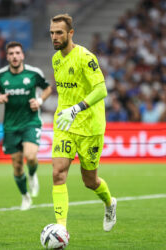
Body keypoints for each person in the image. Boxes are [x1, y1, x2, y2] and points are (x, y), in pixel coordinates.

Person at [49, 14, 117, 232]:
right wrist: (66, 111)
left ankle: (109, 203)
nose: (54, 37)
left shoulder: (85, 57)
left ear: (71, 33)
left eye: (59, 32)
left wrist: (76, 108)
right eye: (51, 33)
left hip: (89, 126)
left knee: (90, 181)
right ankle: (61, 229)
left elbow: (101, 89)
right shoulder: (56, 59)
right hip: (65, 124)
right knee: (58, 173)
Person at [0, 41, 52, 210]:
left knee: (30, 156)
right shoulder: (0, 76)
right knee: (16, 165)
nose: (14, 56)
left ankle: (32, 174)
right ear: (7, 57)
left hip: (30, 122)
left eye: (17, 53)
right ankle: (25, 196)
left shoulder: (33, 73)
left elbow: (48, 88)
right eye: (11, 54)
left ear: (22, 55)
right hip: (10, 126)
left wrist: (39, 100)